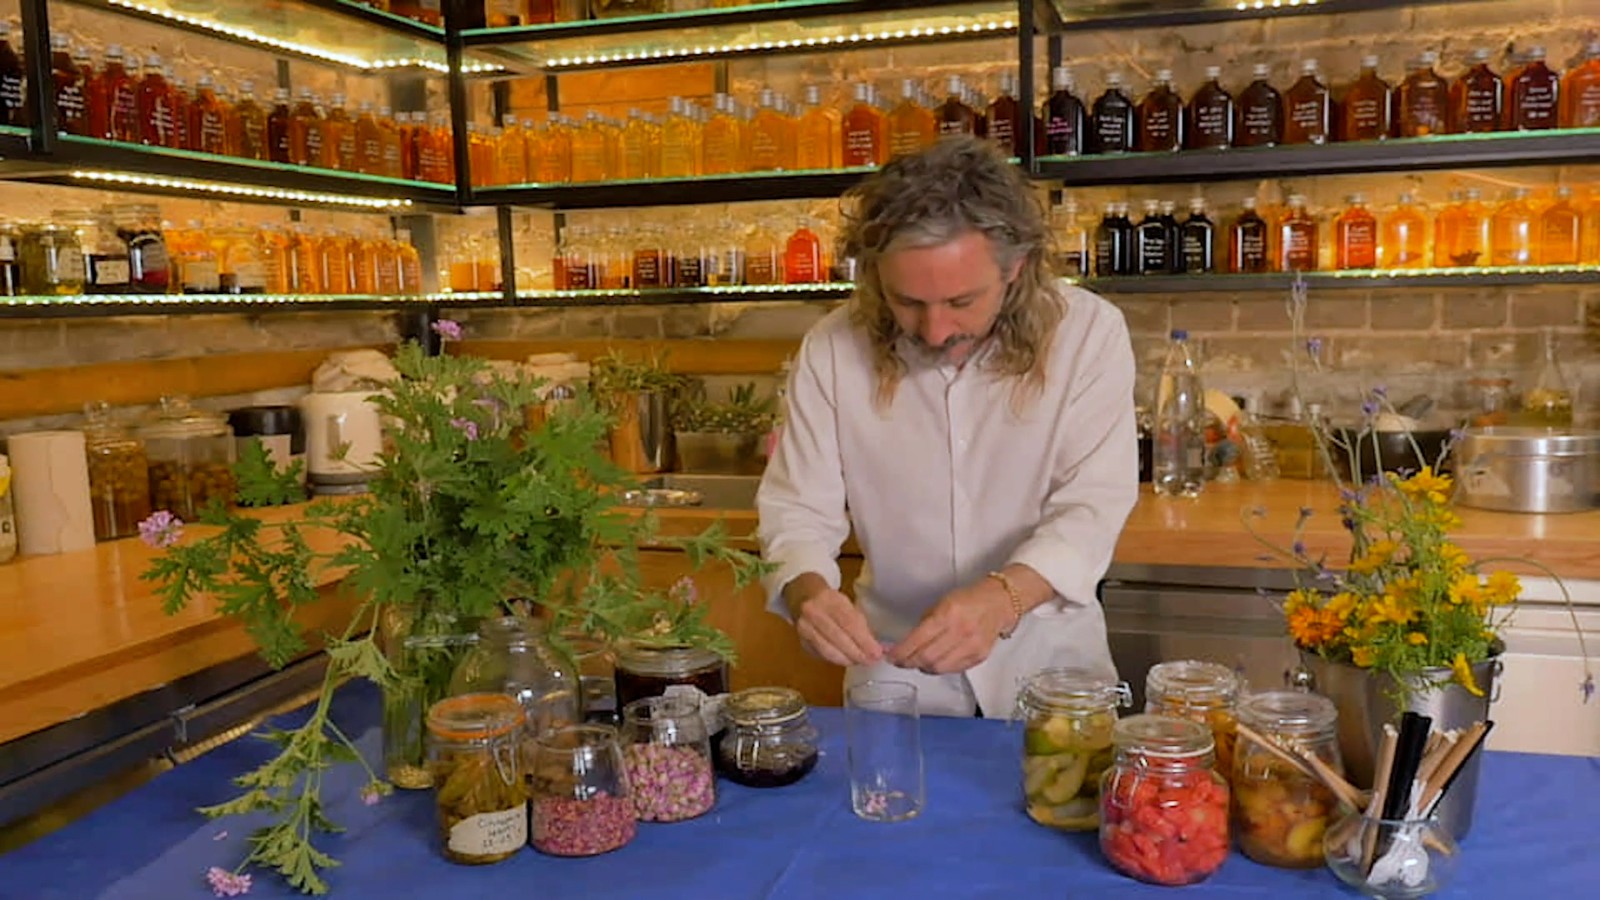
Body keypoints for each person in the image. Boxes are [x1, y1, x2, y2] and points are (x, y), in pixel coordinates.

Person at [755, 136, 1138, 718]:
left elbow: (1092, 507)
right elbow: (797, 508)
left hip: (1049, 674)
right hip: (896, 676)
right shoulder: (833, 348)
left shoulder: (1087, 334)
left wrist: (1002, 599)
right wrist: (807, 591)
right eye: (907, 302)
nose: (935, 331)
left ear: (1016, 267)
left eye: (961, 301)